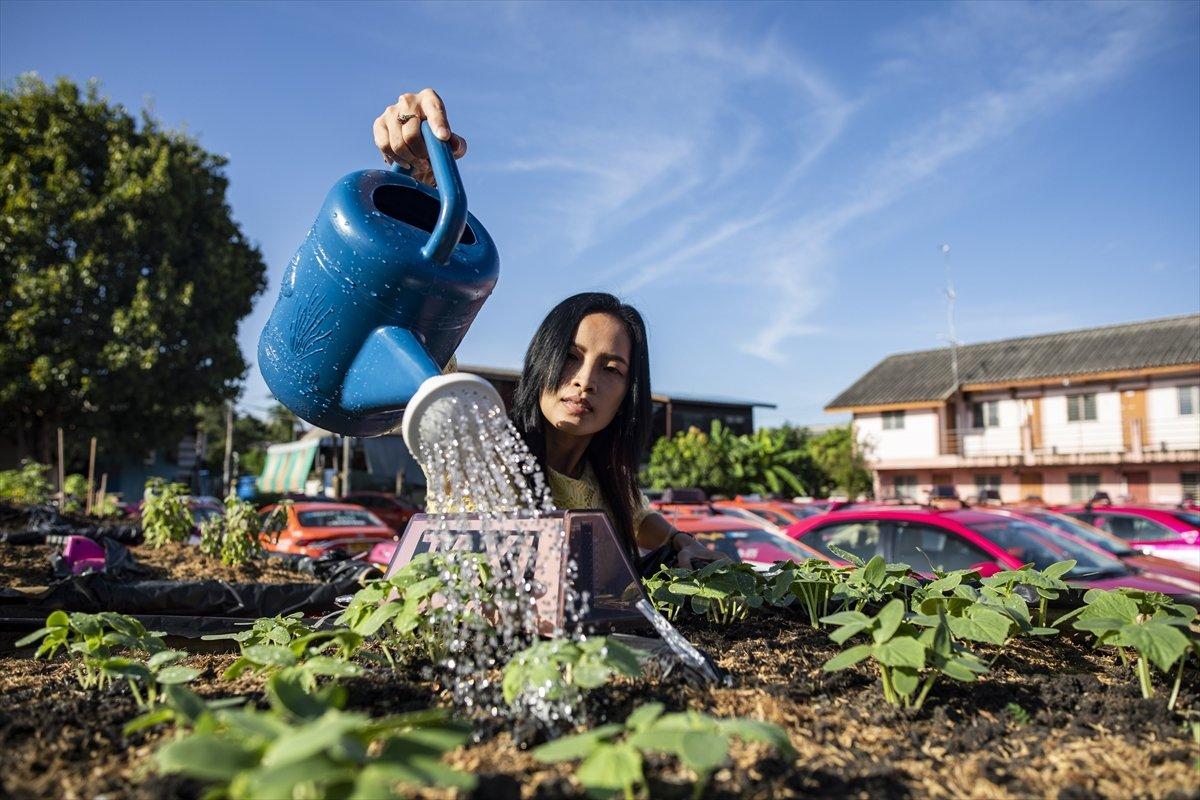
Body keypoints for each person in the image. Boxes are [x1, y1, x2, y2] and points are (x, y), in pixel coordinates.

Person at [374, 90, 720, 570]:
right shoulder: (488, 446)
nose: (584, 379)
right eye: (573, 356)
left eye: (612, 368)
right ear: (541, 362)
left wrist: (682, 540)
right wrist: (418, 188)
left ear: (628, 395)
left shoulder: (605, 481)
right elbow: (417, 353)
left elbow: (640, 517)